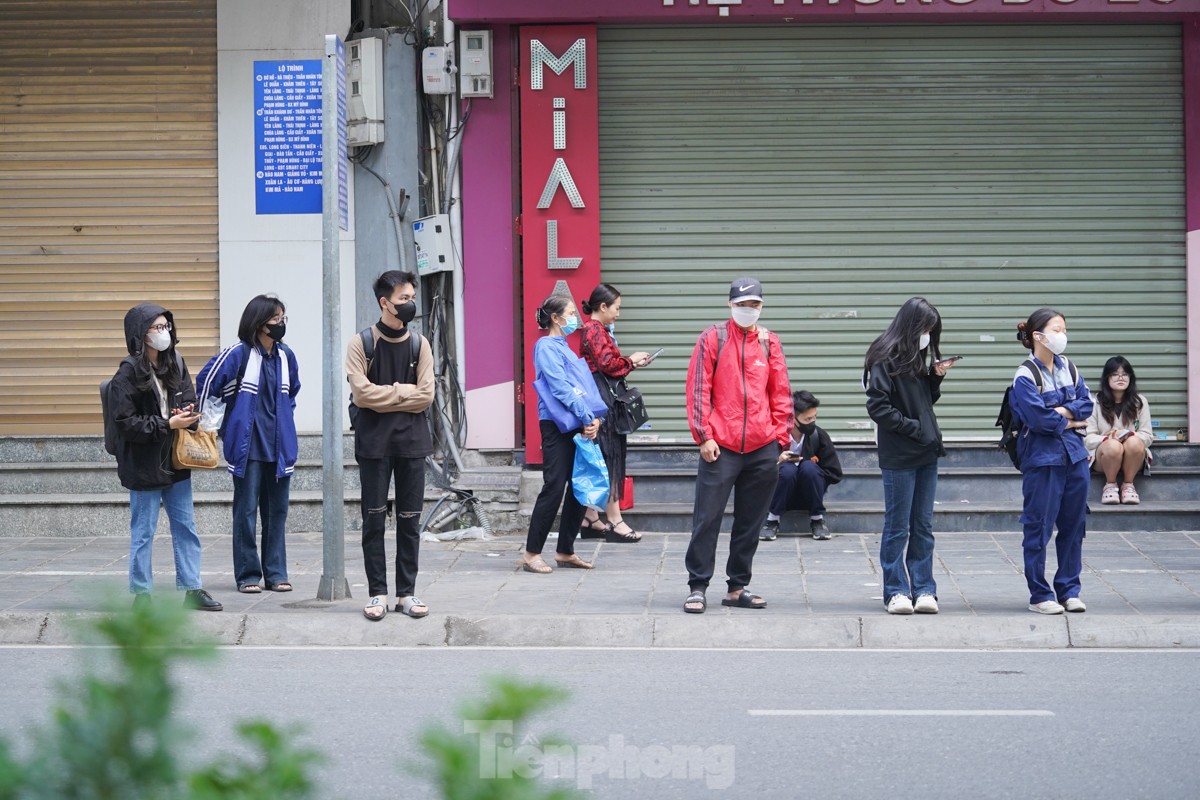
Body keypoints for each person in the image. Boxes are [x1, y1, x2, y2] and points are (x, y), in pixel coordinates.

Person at [682, 277, 792, 614]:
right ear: (730, 305)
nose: (749, 310)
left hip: (762, 447)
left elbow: (781, 392)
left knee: (750, 522)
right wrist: (704, 435)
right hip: (721, 445)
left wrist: (780, 440)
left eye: (755, 304)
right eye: (743, 304)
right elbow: (698, 388)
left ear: (761, 306)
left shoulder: (770, 343)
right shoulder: (712, 338)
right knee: (708, 518)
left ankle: (737, 587)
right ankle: (697, 585)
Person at [109, 303, 222, 611]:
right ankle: (141, 595)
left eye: (166, 327)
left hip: (176, 460)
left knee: (186, 527)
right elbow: (125, 423)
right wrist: (166, 423)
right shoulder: (127, 373)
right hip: (143, 464)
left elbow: (188, 396)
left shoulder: (176, 363)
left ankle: (192, 588)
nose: (164, 333)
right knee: (143, 533)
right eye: (156, 328)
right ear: (139, 335)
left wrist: (188, 413)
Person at [197, 295, 301, 594]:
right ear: (259, 322)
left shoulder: (285, 356)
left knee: (277, 511)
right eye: (275, 319)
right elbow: (207, 382)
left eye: (283, 318)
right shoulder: (238, 354)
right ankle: (247, 575)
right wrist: (216, 425)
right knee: (245, 511)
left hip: (279, 447)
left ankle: (277, 573)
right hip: (248, 447)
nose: (281, 324)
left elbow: (291, 393)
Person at [346, 271, 435, 621]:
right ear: (385, 302)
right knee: (374, 522)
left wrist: (385, 395)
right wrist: (404, 392)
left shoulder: (420, 344)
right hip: (373, 445)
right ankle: (377, 594)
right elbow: (361, 393)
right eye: (403, 299)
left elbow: (426, 395)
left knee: (410, 522)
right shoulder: (361, 343)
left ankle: (406, 594)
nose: (410, 304)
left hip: (412, 444)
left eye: (412, 297)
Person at [864, 297, 954, 615]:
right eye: (926, 328)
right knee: (898, 526)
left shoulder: (916, 356)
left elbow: (921, 401)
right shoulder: (883, 356)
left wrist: (935, 378)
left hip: (926, 451)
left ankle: (925, 589)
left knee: (923, 526)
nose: (928, 335)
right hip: (901, 455)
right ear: (912, 326)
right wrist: (914, 428)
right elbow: (878, 407)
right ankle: (896, 591)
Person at [1011, 307, 1093, 615]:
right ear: (1038, 336)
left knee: (1074, 526)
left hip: (1075, 457)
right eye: (1057, 329)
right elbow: (1039, 420)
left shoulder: (1068, 368)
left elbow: (1087, 403)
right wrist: (1070, 418)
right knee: (1038, 528)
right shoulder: (1025, 376)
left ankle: (1069, 590)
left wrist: (1065, 415)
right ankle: (1040, 594)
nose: (1063, 335)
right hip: (1043, 460)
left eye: (1064, 329)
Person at [523, 294, 602, 574]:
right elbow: (560, 388)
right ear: (555, 318)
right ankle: (532, 552)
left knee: (579, 487)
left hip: (579, 423)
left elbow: (584, 389)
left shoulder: (566, 347)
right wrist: (587, 416)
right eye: (569, 313)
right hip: (557, 425)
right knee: (554, 486)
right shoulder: (545, 346)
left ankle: (565, 551)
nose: (574, 318)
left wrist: (594, 420)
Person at [578, 283, 650, 543]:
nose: (619, 313)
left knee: (604, 456)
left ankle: (589, 518)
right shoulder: (593, 329)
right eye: (616, 308)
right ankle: (615, 521)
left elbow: (609, 364)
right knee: (610, 455)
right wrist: (630, 360)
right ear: (603, 306)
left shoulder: (597, 329)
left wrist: (631, 363)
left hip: (602, 395)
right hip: (602, 399)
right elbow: (607, 364)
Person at [760, 390, 843, 541]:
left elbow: (834, 472)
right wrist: (778, 461)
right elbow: (758, 468)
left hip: (811, 494)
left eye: (814, 417)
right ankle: (772, 520)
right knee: (787, 469)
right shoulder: (774, 435)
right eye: (807, 419)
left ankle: (817, 519)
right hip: (780, 492)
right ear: (793, 419)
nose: (812, 422)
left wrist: (814, 475)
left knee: (809, 468)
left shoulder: (819, 436)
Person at [1085, 356, 1153, 506]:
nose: (1120, 378)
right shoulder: (1094, 402)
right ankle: (1110, 485)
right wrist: (1108, 438)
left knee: (1135, 442)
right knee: (1113, 445)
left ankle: (1128, 485)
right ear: (1106, 378)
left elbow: (1148, 436)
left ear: (1130, 377)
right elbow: (1087, 438)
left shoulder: (1139, 402)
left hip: (1133, 457)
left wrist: (1129, 435)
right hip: (1104, 458)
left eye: (1125, 374)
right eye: (1115, 374)